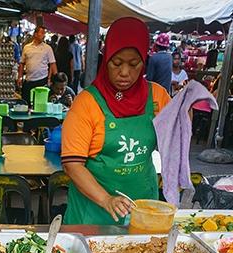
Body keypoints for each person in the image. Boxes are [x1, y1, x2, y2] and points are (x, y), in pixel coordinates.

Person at [61, 17, 171, 225]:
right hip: (93, 215)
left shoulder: (157, 96)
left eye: (134, 64)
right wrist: (106, 200)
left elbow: (175, 144)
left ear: (144, 61)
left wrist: (186, 112)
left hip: (143, 210)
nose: (124, 73)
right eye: (117, 63)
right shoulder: (86, 103)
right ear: (106, 58)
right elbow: (72, 164)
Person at [18, 26, 57, 102]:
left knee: (39, 102)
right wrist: (19, 77)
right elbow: (22, 63)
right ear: (35, 34)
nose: (44, 35)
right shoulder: (26, 47)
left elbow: (53, 64)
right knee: (26, 102)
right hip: (29, 80)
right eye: (42, 33)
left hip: (42, 80)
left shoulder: (48, 48)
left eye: (44, 33)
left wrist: (53, 79)